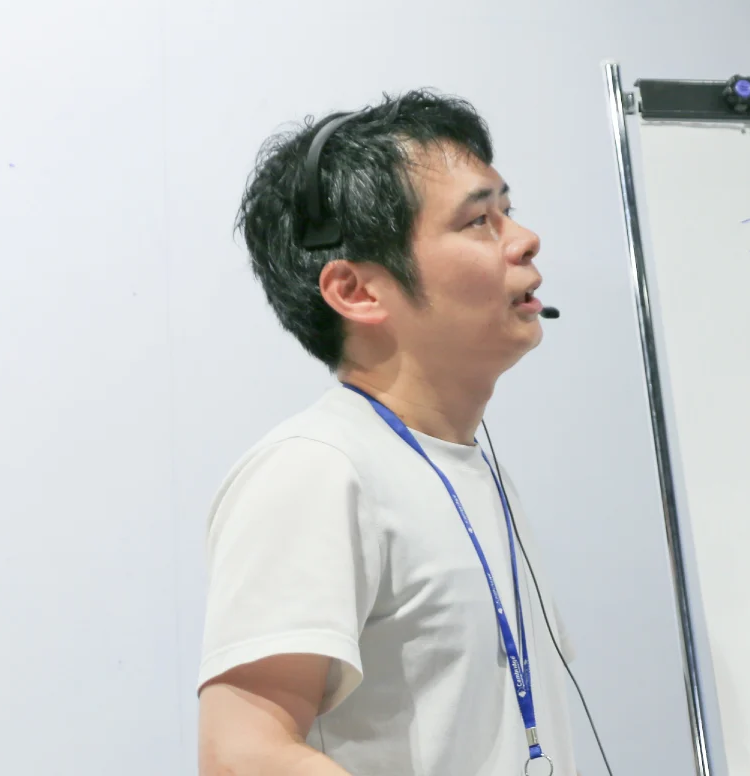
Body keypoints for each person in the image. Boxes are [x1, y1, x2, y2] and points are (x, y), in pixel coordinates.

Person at [196, 90, 577, 776]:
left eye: (508, 210)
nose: (524, 239)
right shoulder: (317, 469)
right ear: (356, 291)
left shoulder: (464, 466)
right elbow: (242, 757)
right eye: (479, 221)